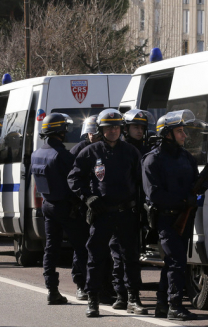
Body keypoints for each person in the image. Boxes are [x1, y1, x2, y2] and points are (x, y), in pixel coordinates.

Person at [68, 109, 145, 318]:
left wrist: (142, 211)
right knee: (96, 257)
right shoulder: (90, 152)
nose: (113, 130)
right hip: (101, 213)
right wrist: (87, 198)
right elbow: (74, 179)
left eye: (117, 127)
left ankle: (133, 298)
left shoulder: (131, 152)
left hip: (126, 213)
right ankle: (92, 299)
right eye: (109, 127)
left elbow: (141, 183)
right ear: (101, 130)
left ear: (121, 129)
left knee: (130, 258)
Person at [141, 110, 208, 321]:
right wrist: (182, 200)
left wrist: (205, 180)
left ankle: (162, 305)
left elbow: (196, 182)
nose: (184, 136)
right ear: (167, 134)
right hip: (167, 218)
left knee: (173, 263)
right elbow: (154, 194)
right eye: (180, 131)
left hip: (184, 217)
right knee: (176, 262)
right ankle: (175, 306)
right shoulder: (152, 160)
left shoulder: (185, 156)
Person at [31, 113, 89, 305]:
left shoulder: (36, 154)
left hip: (47, 206)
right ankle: (89, 288)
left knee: (51, 249)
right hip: (67, 207)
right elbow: (75, 181)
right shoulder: (62, 155)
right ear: (60, 132)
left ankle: (52, 290)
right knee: (82, 247)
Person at [108, 109, 156, 311]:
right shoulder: (118, 151)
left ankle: (132, 295)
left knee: (133, 256)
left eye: (142, 127)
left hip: (140, 211)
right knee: (119, 255)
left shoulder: (147, 151)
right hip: (119, 211)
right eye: (135, 127)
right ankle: (121, 295)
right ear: (126, 129)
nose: (139, 130)